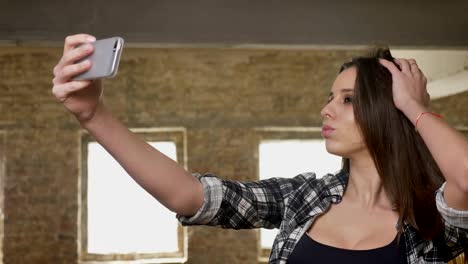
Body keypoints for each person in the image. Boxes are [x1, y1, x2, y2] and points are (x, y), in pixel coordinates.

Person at [52, 34, 468, 263]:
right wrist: (94, 117)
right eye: (329, 97)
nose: (325, 109)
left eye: (346, 99)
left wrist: (414, 107)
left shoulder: (431, 212)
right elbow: (190, 196)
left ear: (388, 110)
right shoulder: (304, 198)